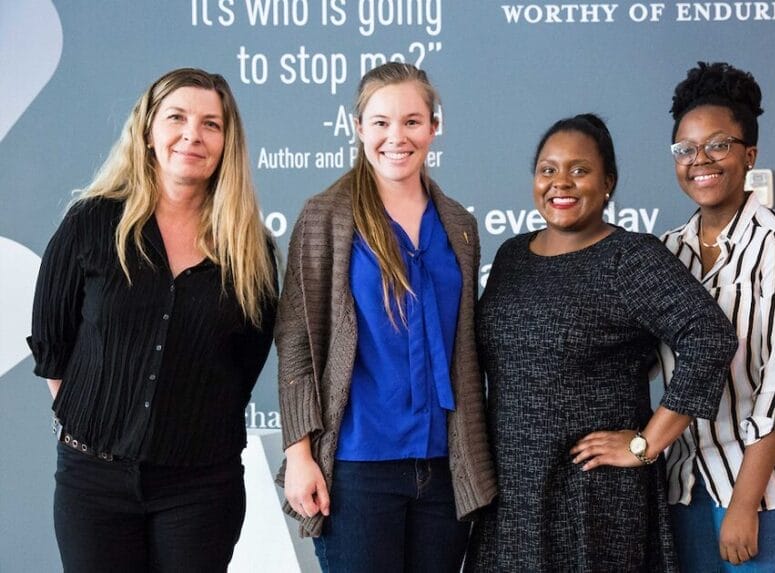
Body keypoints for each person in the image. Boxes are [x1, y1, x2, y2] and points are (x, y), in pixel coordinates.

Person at [27, 68, 278, 572]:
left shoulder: (249, 250)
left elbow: (243, 367)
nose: (192, 135)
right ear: (147, 130)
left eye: (211, 124)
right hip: (92, 483)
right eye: (177, 118)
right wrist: (106, 424)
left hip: (201, 488)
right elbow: (53, 345)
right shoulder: (91, 222)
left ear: (227, 142)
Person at [465, 113, 737, 572]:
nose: (560, 183)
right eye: (547, 170)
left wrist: (646, 444)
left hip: (593, 499)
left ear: (608, 183)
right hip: (512, 495)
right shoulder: (512, 255)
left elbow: (708, 336)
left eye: (579, 170)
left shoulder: (629, 257)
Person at [275, 62, 496, 572]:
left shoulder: (459, 226)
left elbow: (465, 346)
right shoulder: (325, 216)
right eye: (380, 122)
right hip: (356, 467)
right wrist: (300, 453)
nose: (396, 137)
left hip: (444, 467)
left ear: (434, 127)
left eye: (412, 121)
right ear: (358, 128)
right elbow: (296, 341)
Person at [660, 62, 775, 572]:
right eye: (685, 149)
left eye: (718, 145)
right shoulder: (668, 251)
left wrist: (744, 504)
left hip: (766, 490)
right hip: (689, 483)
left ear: (749, 154)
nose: (700, 160)